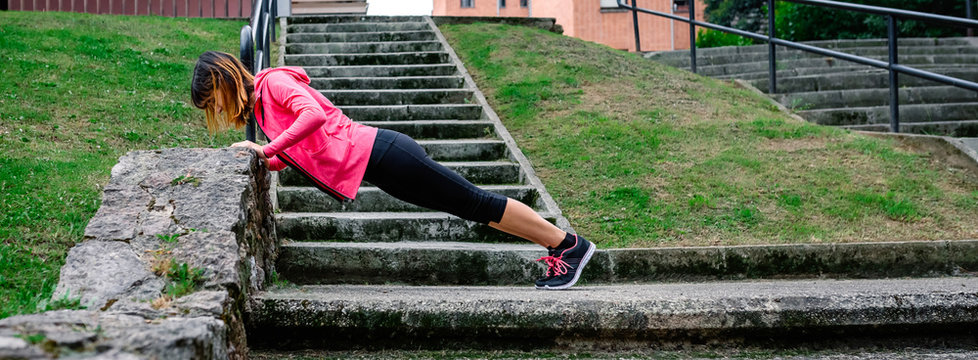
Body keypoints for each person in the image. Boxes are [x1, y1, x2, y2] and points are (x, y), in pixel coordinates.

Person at [189, 51, 593, 290]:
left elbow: (313, 115)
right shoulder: (261, 107)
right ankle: (559, 248)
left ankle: (568, 245)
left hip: (384, 152)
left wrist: (265, 147)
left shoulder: (272, 83)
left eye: (214, 99)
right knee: (471, 209)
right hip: (379, 165)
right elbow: (303, 149)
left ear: (224, 78)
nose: (219, 110)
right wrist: (268, 157)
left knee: (474, 200)